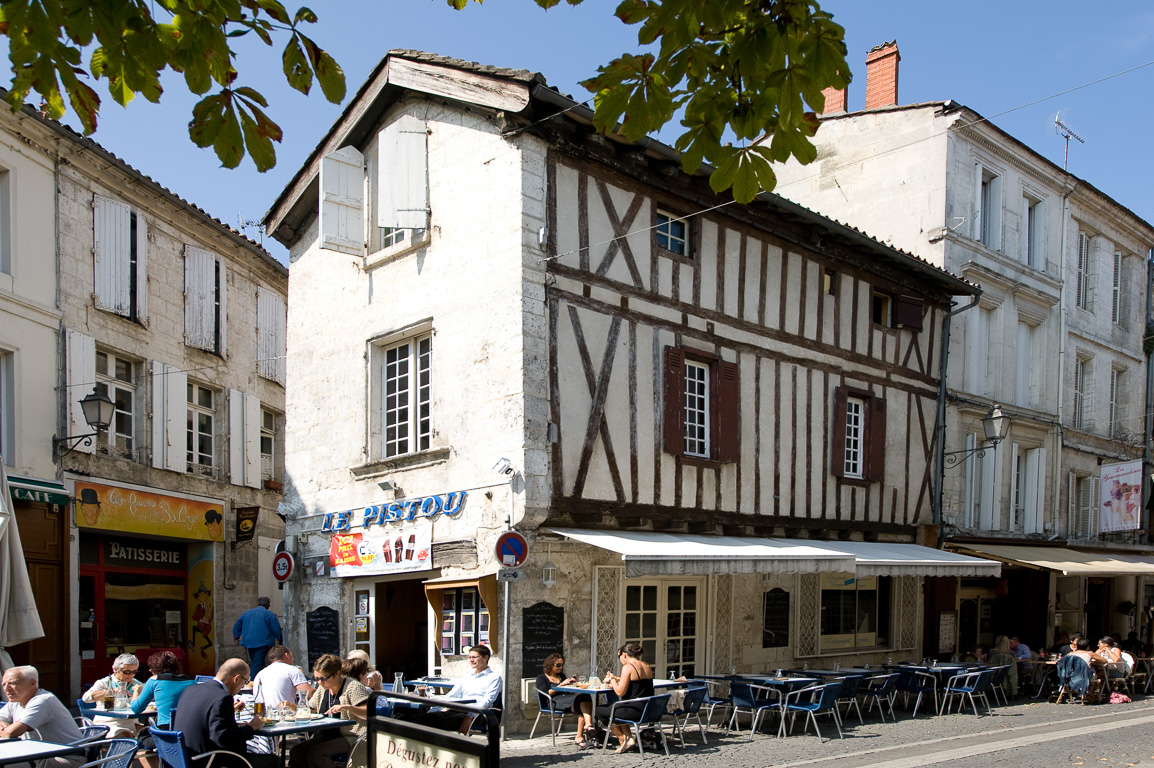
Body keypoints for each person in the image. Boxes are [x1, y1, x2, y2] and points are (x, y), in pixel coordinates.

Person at [171, 658, 275, 768]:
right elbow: (223, 739)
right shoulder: (222, 697)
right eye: (245, 682)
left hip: (183, 757)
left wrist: (230, 712)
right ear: (236, 678)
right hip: (207, 760)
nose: (242, 687)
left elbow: (203, 719)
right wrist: (251, 727)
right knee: (273, 761)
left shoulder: (190, 689)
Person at [392, 645, 502, 733]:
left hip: (477, 714)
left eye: (474, 657)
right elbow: (451, 696)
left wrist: (470, 716)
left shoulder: (494, 678)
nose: (471, 660)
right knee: (424, 719)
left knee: (440, 724)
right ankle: (396, 724)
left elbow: (488, 701)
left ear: (485, 658)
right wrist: (434, 709)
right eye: (469, 657)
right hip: (457, 709)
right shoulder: (468, 677)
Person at [289, 655, 369, 768]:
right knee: (297, 751)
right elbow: (311, 709)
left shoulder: (353, 687)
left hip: (352, 736)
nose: (320, 682)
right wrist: (290, 707)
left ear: (337, 673)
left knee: (317, 754)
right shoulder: (323, 689)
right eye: (316, 678)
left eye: (324, 678)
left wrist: (348, 707)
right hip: (327, 735)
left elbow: (369, 712)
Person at [0, 666, 85, 768]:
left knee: (10, 765)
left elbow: (12, 733)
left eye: (12, 683)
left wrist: (8, 729)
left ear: (32, 683)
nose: (6, 688)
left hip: (66, 758)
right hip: (38, 755)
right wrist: (6, 728)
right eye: (4, 684)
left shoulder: (42, 701)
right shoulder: (15, 701)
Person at [596, 642, 654, 754]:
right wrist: (617, 678)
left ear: (624, 655)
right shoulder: (646, 665)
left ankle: (623, 740)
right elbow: (636, 682)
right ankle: (629, 739)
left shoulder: (628, 667)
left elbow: (620, 693)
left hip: (634, 711)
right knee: (619, 707)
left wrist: (612, 680)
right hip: (648, 710)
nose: (620, 660)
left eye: (619, 657)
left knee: (600, 711)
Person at [535, 653, 593, 748]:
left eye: (562, 665)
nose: (560, 667)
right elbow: (546, 693)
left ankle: (587, 726)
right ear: (550, 665)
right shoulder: (542, 678)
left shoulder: (561, 676)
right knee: (583, 704)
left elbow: (569, 692)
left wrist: (573, 684)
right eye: (558, 665)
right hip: (553, 702)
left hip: (566, 699)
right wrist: (561, 685)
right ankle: (583, 732)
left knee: (585, 696)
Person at [81, 653, 144, 738]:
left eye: (134, 672)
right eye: (127, 672)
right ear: (115, 669)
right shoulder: (105, 683)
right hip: (108, 723)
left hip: (131, 722)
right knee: (126, 736)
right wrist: (109, 692)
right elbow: (86, 698)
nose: (131, 675)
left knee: (151, 733)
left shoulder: (136, 684)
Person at [131, 651, 198, 727]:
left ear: (155, 669)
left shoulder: (154, 680)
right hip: (190, 727)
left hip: (166, 729)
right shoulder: (192, 681)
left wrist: (136, 691)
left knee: (143, 736)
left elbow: (136, 708)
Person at [233, 597, 282, 676]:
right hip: (263, 642)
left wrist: (236, 637)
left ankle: (259, 679)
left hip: (249, 642)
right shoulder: (268, 614)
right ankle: (252, 681)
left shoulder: (247, 613)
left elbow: (238, 624)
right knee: (257, 663)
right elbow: (276, 629)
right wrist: (280, 639)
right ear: (267, 605)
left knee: (256, 661)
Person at [253, 646, 312, 712]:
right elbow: (308, 693)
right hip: (286, 715)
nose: (293, 660)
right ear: (286, 655)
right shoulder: (292, 670)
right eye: (292, 656)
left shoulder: (260, 674)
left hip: (265, 716)